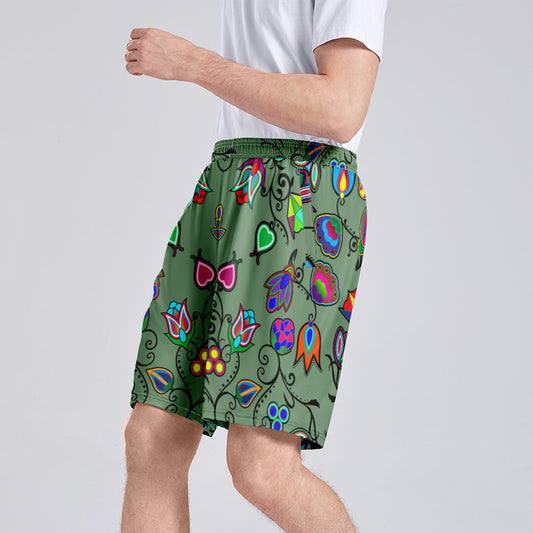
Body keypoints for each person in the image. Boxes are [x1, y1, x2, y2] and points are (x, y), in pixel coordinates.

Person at [121, 1, 388, 531]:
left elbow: (341, 108)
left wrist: (193, 63)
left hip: (303, 194)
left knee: (262, 467)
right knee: (153, 438)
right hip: (227, 181)